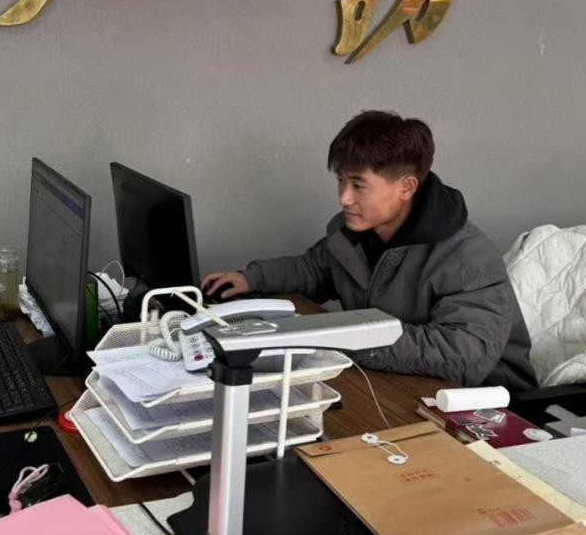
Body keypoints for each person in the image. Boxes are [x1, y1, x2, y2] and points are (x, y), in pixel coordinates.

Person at [203, 110, 535, 390]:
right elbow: (314, 269)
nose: (344, 197)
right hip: (392, 378)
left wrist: (353, 339)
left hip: (485, 402)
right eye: (341, 180)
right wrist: (251, 278)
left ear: (406, 187)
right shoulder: (353, 230)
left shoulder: (468, 256)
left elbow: (463, 357)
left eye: (358, 185)